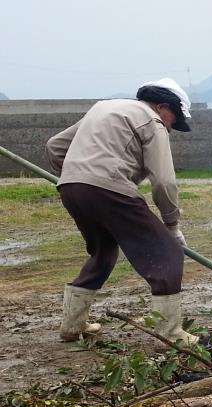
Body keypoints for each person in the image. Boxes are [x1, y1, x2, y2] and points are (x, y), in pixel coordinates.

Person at [45, 77, 198, 345]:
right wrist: (172, 226)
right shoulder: (153, 121)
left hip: (70, 188)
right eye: (174, 120)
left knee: (103, 251)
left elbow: (55, 147)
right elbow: (164, 181)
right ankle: (171, 333)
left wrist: (79, 175)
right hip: (110, 189)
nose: (171, 127)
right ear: (163, 107)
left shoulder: (104, 108)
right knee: (168, 254)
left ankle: (72, 325)